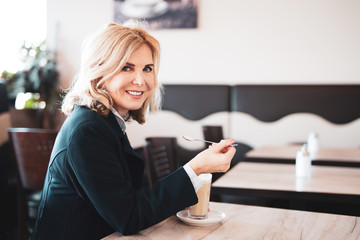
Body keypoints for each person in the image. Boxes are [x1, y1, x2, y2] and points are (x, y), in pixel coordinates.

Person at [31, 22, 236, 240]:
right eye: (126, 67)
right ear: (99, 71)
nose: (141, 80)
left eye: (147, 68)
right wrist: (196, 168)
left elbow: (127, 201)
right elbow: (129, 217)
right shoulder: (88, 129)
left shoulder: (105, 121)